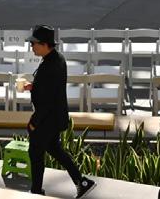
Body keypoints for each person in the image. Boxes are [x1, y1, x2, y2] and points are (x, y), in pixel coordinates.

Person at [25, 24, 95, 197]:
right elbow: (50, 88)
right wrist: (34, 87)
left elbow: (47, 101)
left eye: (34, 43)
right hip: (55, 117)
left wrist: (34, 122)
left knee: (35, 153)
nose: (31, 47)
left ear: (44, 44)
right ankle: (82, 182)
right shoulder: (57, 59)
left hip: (47, 119)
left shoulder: (50, 66)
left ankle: (36, 191)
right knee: (54, 149)